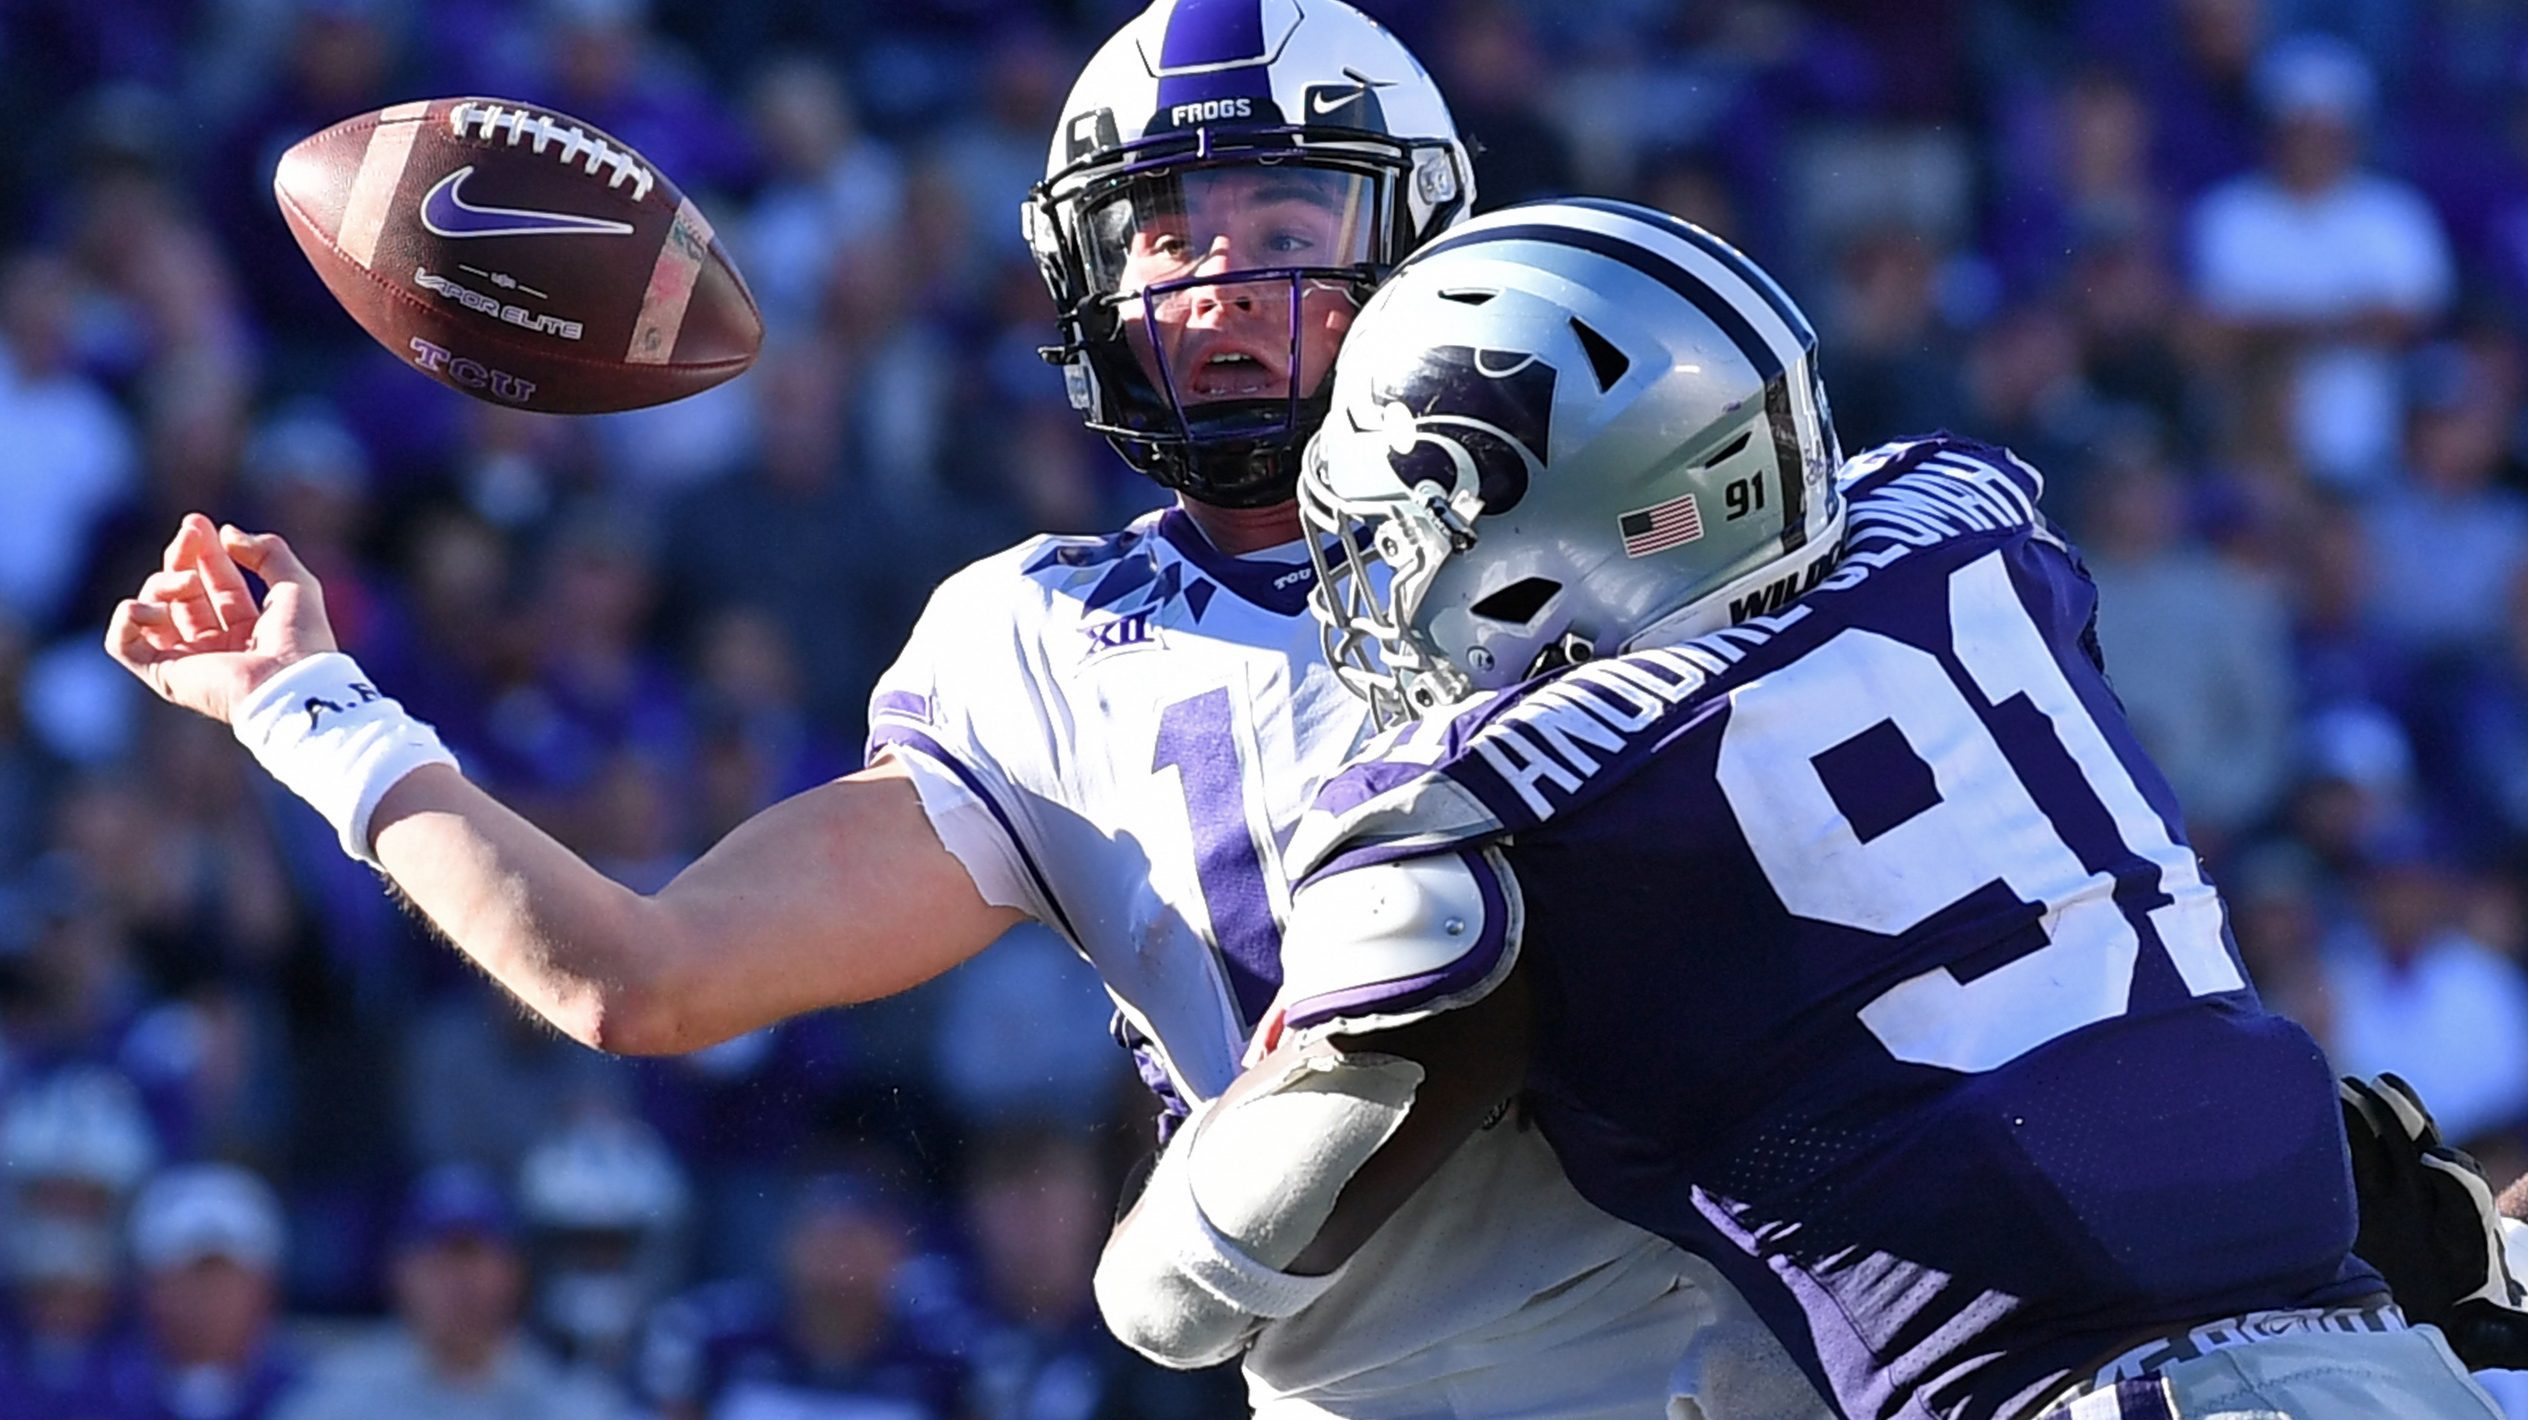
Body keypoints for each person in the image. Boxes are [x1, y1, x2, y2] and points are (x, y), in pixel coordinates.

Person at [98, 4, 1820, 1418]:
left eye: (1284, 228)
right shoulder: (1041, 642)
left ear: (1419, 250)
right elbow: (639, 975)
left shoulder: (1650, 501)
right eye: (1166, 235)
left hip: (1806, 1335)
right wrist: (304, 703)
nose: (1216, 282)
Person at [1091, 199, 2509, 1420]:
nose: (1384, 587)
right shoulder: (1972, 524)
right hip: (2386, 1346)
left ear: (1534, 522)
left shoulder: (1505, 817)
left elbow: (1174, 1301)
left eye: (1400, 535)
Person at [274, 1165, 626, 1420]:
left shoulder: (565, 1399)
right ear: (400, 1273)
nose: (461, 1281)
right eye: (440, 1262)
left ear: (513, 1273)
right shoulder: (339, 1399)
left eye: (475, 1259)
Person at [109, 1163, 301, 1420]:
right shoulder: (97, 1399)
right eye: (187, 1274)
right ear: (147, 1289)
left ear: (265, 1289)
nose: (206, 1298)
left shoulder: (314, 1400)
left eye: (225, 1276)